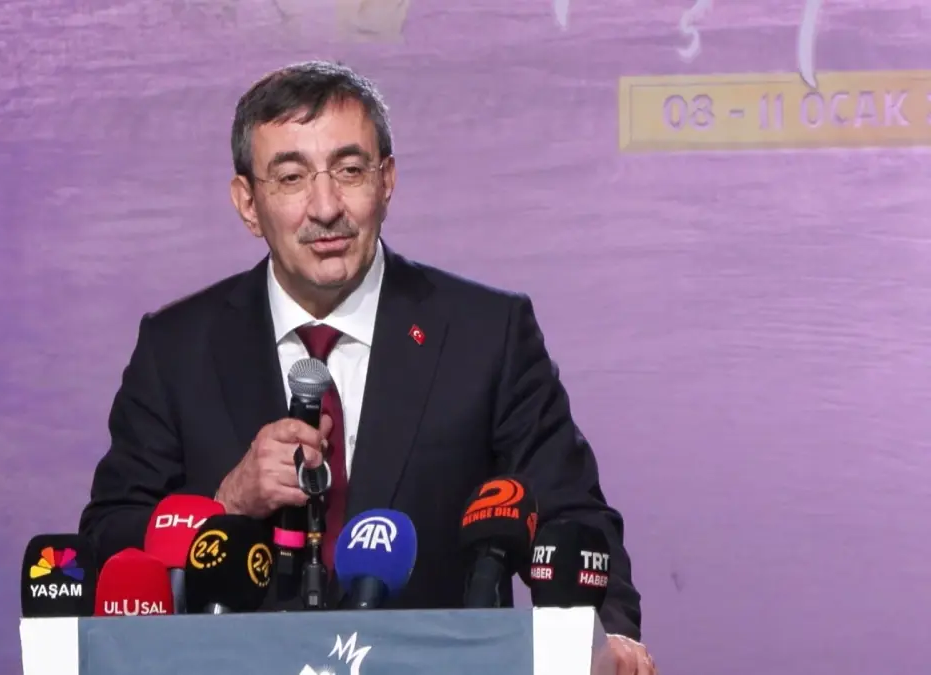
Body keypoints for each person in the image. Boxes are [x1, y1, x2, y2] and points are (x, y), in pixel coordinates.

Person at [80, 60, 657, 674]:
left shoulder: (486, 334)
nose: (326, 207)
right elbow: (107, 539)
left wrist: (608, 640)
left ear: (387, 181)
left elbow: (572, 519)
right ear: (248, 203)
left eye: (350, 171)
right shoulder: (177, 348)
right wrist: (227, 504)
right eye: (291, 178)